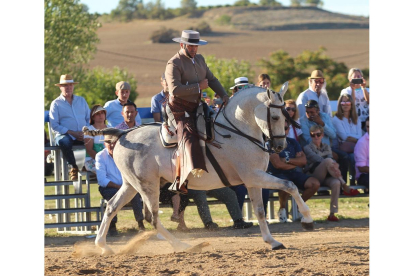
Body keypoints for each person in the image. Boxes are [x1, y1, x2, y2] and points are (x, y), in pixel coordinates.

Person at [165, 30, 230, 194]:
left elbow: (212, 79)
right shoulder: (173, 63)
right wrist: (197, 87)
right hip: (178, 108)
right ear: (182, 45)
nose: (194, 49)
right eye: (190, 46)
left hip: (196, 106)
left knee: (219, 125)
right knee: (188, 135)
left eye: (196, 46)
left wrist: (224, 95)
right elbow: (174, 89)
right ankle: (182, 178)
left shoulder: (200, 59)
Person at [266, 120, 320, 223]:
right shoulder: (270, 144)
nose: (283, 131)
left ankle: (297, 208)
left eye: (285, 128)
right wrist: (295, 163)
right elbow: (277, 165)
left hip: (293, 173)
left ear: (288, 130)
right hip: (276, 174)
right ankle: (282, 209)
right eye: (281, 128)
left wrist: (287, 161)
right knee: (286, 184)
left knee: (314, 183)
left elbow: (303, 161)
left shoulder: (293, 142)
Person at [303, 125, 359, 222]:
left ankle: (332, 214)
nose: (316, 137)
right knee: (328, 161)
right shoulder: (307, 147)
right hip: (314, 175)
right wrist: (329, 159)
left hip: (329, 174)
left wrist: (331, 162)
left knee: (336, 183)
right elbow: (318, 159)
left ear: (322, 135)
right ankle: (344, 184)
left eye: (318, 134)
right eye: (313, 135)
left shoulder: (326, 146)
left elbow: (331, 159)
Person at [96, 138, 145, 236]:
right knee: (113, 195)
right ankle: (112, 225)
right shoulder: (100, 156)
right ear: (104, 144)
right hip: (109, 187)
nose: (112, 145)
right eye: (109, 143)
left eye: (114, 143)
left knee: (133, 194)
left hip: (125, 185)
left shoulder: (124, 154)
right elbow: (102, 180)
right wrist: (120, 187)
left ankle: (141, 224)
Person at [49, 74, 90, 180]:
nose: (68, 87)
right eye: (65, 85)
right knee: (65, 141)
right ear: (60, 87)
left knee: (95, 139)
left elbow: (88, 119)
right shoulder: (56, 103)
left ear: (73, 86)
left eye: (70, 85)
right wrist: (72, 132)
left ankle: (90, 167)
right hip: (65, 135)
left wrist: (84, 132)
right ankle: (74, 167)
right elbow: (54, 125)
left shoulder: (81, 101)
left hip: (82, 134)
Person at [300, 100, 349, 184]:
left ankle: (341, 184)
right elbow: (308, 139)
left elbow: (333, 135)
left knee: (344, 156)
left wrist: (322, 124)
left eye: (312, 112)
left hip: (327, 148)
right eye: (307, 112)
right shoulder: (303, 120)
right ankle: (335, 183)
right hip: (312, 149)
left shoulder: (324, 117)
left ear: (318, 111)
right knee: (330, 159)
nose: (309, 114)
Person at [187, 188, 253, 230]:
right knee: (200, 195)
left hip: (210, 184)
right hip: (193, 187)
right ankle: (208, 223)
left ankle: (238, 221)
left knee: (229, 194)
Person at [332, 94, 362, 185]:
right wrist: (355, 138)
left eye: (348, 101)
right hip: (342, 148)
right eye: (343, 102)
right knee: (351, 157)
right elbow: (344, 136)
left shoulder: (357, 119)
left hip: (355, 147)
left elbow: (360, 135)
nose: (345, 104)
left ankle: (355, 182)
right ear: (340, 104)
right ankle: (348, 183)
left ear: (351, 104)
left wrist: (352, 138)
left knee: (355, 156)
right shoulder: (336, 119)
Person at [84, 105, 107, 174]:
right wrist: (102, 161)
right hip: (92, 160)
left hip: (108, 160)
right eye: (97, 114)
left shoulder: (111, 129)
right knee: (103, 169)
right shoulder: (89, 130)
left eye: (102, 113)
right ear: (93, 117)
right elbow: (89, 150)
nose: (100, 115)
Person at [354, 117, 369, 193]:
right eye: (367, 126)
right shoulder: (362, 142)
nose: (369, 129)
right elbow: (361, 168)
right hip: (364, 175)